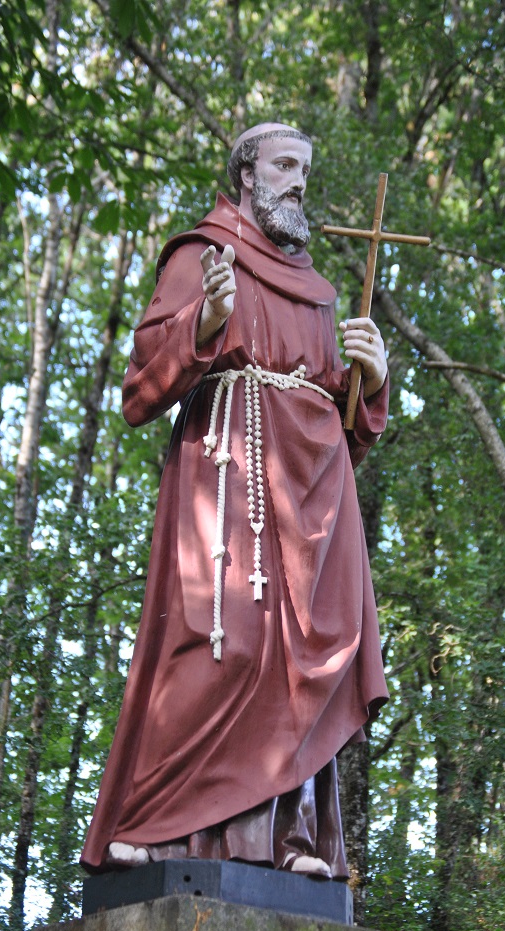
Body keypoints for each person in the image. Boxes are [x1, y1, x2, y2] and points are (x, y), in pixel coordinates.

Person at [81, 122, 389, 879]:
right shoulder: (202, 256)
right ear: (246, 173)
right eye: (285, 165)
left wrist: (371, 384)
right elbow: (139, 388)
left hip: (314, 500)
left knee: (307, 661)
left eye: (306, 169)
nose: (298, 182)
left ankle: (290, 842)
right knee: (219, 642)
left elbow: (341, 423)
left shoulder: (318, 293)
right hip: (229, 478)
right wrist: (205, 324)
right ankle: (156, 830)